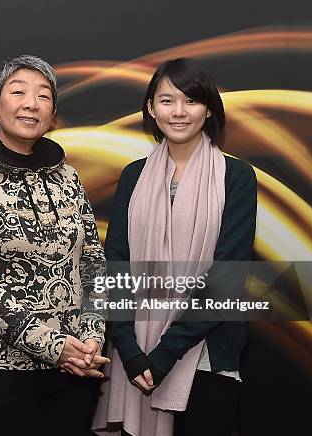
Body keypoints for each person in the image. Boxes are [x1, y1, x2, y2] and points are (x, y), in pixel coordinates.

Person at [0, 55, 109, 436]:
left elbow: (95, 263)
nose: (31, 103)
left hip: (74, 370)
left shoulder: (68, 177)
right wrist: (52, 346)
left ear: (52, 112)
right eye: (18, 92)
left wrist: (91, 337)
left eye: (44, 96)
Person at [92, 58, 257, 436]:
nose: (179, 112)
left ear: (209, 108)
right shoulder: (133, 176)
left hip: (205, 353)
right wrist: (129, 347)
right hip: (134, 352)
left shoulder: (236, 177)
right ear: (151, 108)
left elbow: (227, 277)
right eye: (167, 100)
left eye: (191, 100)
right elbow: (116, 262)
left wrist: (166, 353)